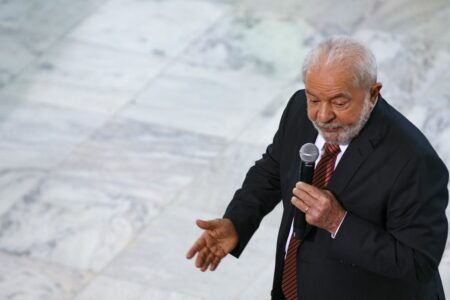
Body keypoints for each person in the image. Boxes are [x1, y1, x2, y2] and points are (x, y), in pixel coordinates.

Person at [186, 36, 449, 300]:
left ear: (372, 93)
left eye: (339, 102)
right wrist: (237, 221)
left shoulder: (414, 161)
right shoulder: (299, 109)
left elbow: (418, 263)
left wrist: (338, 222)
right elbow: (273, 168)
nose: (323, 116)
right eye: (314, 100)